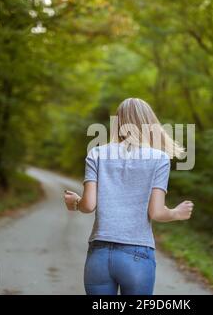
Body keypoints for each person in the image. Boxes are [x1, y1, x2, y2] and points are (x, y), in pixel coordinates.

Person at [64, 97, 194, 295]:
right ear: (149, 122)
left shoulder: (96, 153)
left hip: (99, 254)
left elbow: (88, 205)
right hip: (137, 255)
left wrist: (75, 203)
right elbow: (157, 212)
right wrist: (176, 213)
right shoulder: (159, 159)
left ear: (119, 122)